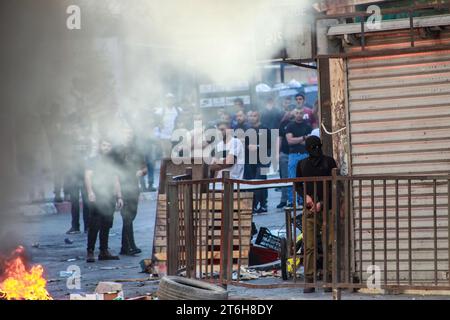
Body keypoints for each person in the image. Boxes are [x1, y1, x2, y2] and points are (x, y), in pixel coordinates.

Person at [295, 136, 337, 293]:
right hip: (310, 210)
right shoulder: (302, 165)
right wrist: (306, 197)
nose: (316, 151)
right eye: (313, 148)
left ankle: (330, 278)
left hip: (328, 209)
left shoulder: (329, 162)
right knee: (310, 246)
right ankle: (310, 279)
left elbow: (335, 185)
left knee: (329, 244)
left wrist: (322, 204)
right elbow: (298, 185)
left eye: (318, 147)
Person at [85, 137, 123, 263]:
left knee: (107, 224)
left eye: (108, 146)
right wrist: (90, 192)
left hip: (109, 197)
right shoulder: (93, 160)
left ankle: (103, 251)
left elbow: (116, 179)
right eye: (104, 145)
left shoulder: (113, 161)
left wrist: (119, 196)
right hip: (97, 195)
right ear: (100, 146)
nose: (106, 148)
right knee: (94, 225)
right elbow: (88, 176)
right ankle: (90, 252)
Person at [65, 113, 92, 234]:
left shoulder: (87, 139)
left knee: (86, 200)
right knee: (74, 200)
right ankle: (75, 226)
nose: (74, 129)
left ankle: (87, 225)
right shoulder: (68, 140)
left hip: (84, 172)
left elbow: (90, 155)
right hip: (73, 173)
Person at [285, 108, 312, 207]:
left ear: (303, 114)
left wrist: (296, 140)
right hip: (293, 155)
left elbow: (309, 142)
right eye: (297, 113)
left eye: (301, 113)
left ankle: (303, 200)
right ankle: (291, 201)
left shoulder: (308, 126)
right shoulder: (290, 126)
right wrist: (304, 137)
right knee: (292, 178)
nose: (299, 115)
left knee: (304, 178)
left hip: (305, 154)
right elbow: (290, 141)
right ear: (294, 114)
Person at [246, 110, 271, 214]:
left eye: (254, 115)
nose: (252, 118)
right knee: (252, 182)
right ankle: (254, 204)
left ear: (258, 116)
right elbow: (245, 145)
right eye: (250, 116)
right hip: (251, 159)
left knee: (261, 180)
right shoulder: (247, 130)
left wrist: (257, 147)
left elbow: (270, 144)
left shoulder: (265, 129)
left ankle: (263, 204)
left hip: (263, 159)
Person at [276, 107, 295, 209]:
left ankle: (294, 199)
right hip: (284, 153)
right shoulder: (283, 124)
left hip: (296, 152)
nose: (288, 112)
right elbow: (279, 138)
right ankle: (284, 199)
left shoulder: (297, 123)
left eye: (290, 110)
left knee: (295, 177)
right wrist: (277, 153)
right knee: (284, 178)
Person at [154, 93, 182, 158]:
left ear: (174, 100)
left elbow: (182, 121)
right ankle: (168, 168)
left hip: (176, 136)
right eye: (168, 99)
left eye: (171, 99)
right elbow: (156, 122)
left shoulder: (178, 110)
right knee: (167, 154)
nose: (170, 101)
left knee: (176, 154)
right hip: (165, 136)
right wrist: (157, 134)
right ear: (165, 101)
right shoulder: (160, 111)